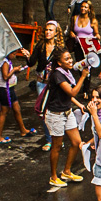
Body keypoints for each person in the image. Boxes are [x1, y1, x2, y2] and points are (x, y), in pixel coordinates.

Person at [45, 48, 89, 188]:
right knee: (57, 146)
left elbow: (68, 95)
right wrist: (83, 77)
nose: (70, 61)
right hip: (56, 115)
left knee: (76, 143)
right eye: (67, 59)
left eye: (70, 58)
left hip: (67, 112)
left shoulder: (66, 73)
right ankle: (53, 177)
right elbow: (72, 91)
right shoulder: (57, 75)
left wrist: (79, 104)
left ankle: (67, 171)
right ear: (59, 63)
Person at [29, 20, 64, 151]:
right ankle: (49, 139)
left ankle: (58, 138)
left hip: (55, 84)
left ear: (56, 33)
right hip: (42, 83)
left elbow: (65, 64)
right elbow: (32, 62)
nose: (48, 32)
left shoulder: (60, 48)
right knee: (44, 112)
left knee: (56, 111)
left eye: (51, 30)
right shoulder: (41, 46)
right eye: (46, 30)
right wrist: (27, 56)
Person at [0, 49, 35, 143]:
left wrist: (15, 71)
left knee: (17, 108)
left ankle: (23, 130)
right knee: (4, 112)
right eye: (13, 54)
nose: (14, 55)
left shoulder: (7, 61)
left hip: (9, 89)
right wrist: (14, 70)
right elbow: (5, 77)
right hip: (5, 90)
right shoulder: (4, 62)